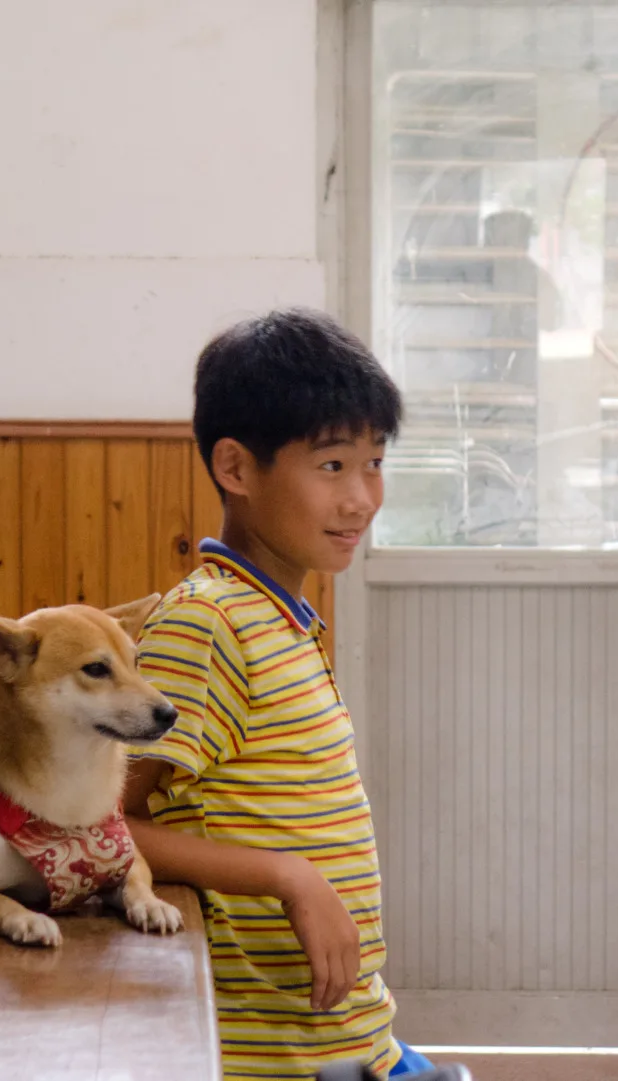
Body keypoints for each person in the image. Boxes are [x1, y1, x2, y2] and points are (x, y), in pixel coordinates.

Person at [122, 309, 430, 1079]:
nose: (362, 497)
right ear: (236, 467)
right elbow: (96, 823)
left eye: (375, 463)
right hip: (268, 1058)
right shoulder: (209, 623)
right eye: (332, 467)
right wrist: (288, 874)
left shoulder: (279, 616)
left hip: (351, 1040)